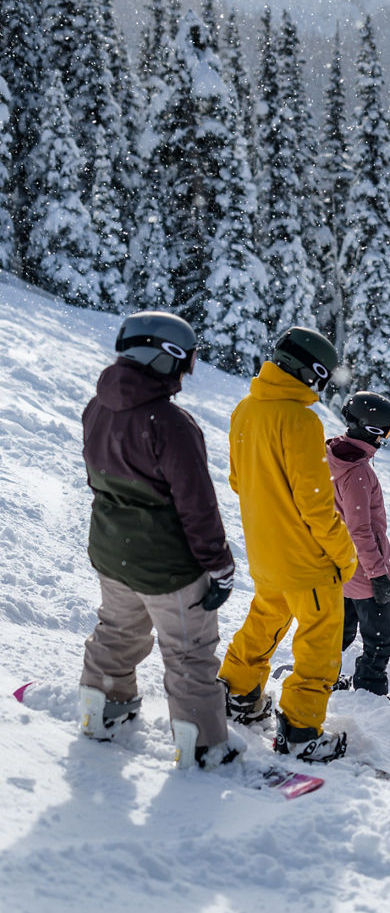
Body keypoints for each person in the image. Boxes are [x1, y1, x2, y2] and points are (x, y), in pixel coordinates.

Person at [78, 310, 240, 770]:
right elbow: (197, 506)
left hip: (113, 552)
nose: (188, 374)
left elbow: (100, 479)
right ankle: (203, 745)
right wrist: (219, 566)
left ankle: (103, 709)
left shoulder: (98, 407)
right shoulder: (169, 423)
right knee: (189, 652)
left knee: (118, 631)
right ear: (165, 357)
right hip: (167, 564)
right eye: (187, 363)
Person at [217, 326, 357, 763]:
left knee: (265, 620)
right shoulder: (300, 421)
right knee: (318, 646)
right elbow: (316, 506)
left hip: (266, 554)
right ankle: (300, 731)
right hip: (307, 563)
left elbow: (239, 481)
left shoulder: (246, 410)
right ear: (311, 372)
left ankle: (237, 691)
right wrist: (344, 556)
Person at [325, 390, 390, 696]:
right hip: (363, 573)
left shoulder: (333, 456)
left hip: (341, 567)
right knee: (380, 642)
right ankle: (370, 697)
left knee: (339, 633)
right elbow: (360, 530)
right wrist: (378, 573)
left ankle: (323, 680)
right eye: (386, 433)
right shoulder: (357, 473)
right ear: (373, 430)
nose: (385, 440)